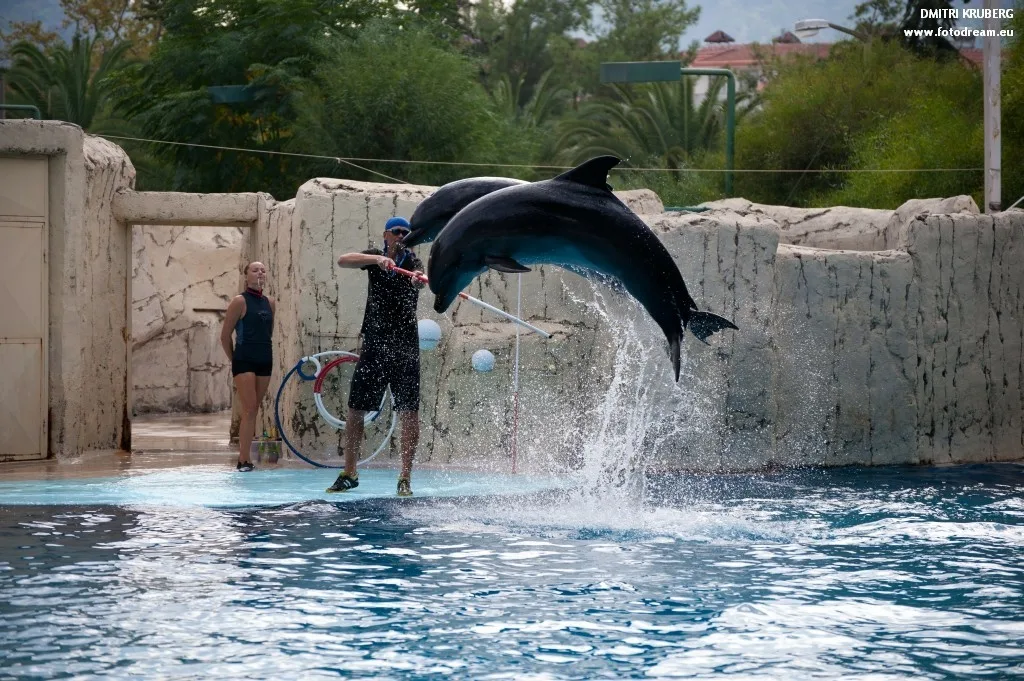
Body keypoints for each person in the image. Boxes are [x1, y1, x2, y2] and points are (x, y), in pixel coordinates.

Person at [329, 216, 425, 496]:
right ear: (386, 235)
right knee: (356, 410)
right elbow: (344, 260)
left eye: (406, 233)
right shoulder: (373, 257)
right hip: (375, 344)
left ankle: (405, 477)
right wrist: (377, 260)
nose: (402, 236)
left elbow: (419, 281)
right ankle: (350, 473)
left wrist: (418, 280)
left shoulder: (413, 263)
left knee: (409, 411)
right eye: (397, 232)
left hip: (405, 347)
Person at [220, 261, 276, 472]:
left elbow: (268, 332)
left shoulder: (270, 302)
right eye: (255, 270)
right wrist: (235, 359)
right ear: (246, 276)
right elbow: (225, 336)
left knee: (254, 409)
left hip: (265, 358)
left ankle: (246, 457)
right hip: (244, 359)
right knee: (250, 408)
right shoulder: (239, 301)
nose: (260, 272)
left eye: (263, 270)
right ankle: (244, 459)